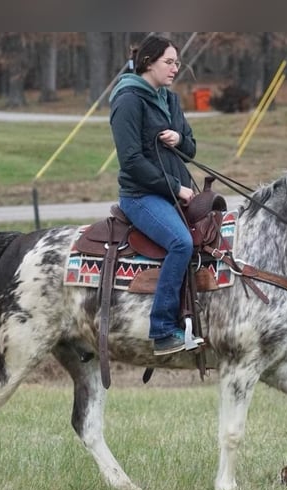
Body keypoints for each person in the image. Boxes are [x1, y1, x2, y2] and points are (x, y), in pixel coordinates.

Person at [109, 35, 199, 356]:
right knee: (181, 243)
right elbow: (131, 162)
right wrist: (175, 188)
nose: (175, 69)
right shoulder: (128, 100)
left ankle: (198, 320)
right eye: (169, 62)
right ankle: (162, 330)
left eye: (177, 63)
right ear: (149, 62)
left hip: (177, 194)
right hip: (141, 196)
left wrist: (179, 140)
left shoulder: (170, 100)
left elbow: (191, 148)